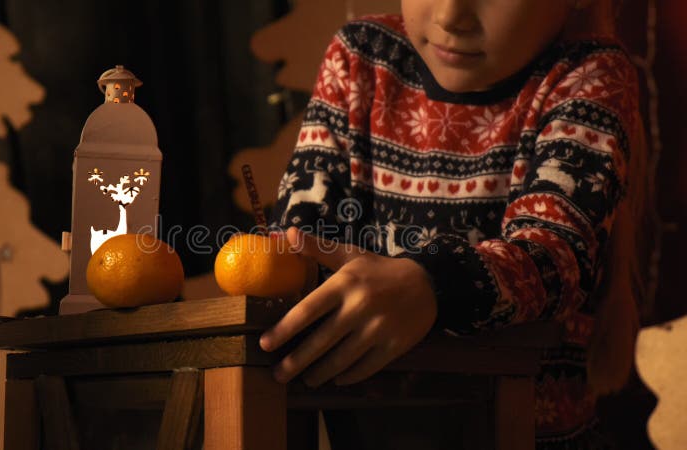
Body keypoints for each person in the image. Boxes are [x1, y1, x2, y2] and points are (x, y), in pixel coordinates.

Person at [261, 0, 648, 448]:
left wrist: (432, 285)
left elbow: (555, 253)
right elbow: (298, 244)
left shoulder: (588, 72)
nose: (450, 18)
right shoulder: (360, 56)